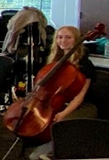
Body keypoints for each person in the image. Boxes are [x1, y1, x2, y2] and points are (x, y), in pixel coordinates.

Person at [27, 26, 99, 160]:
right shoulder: (55, 60)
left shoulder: (84, 64)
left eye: (68, 37)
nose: (63, 41)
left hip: (82, 106)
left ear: (76, 40)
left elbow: (79, 96)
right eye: (60, 37)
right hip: (59, 101)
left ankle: (52, 153)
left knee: (62, 123)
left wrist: (64, 113)